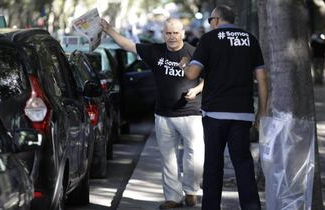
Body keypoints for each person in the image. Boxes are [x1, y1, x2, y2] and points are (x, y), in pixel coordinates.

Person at [101, 18, 205, 209]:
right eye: (168, 33)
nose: (172, 37)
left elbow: (208, 78)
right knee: (168, 158)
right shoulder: (155, 50)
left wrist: (197, 90)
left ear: (182, 33)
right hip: (163, 114)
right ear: (163, 34)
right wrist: (108, 30)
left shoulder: (194, 52)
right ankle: (173, 198)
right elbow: (128, 45)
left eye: (175, 33)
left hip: (192, 114)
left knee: (196, 156)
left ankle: (191, 190)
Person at [184, 5, 268, 210]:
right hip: (243, 114)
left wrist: (184, 64)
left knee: (213, 164)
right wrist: (262, 111)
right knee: (243, 163)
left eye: (210, 20)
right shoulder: (250, 39)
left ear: (216, 20)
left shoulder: (209, 40)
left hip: (214, 114)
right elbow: (263, 79)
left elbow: (192, 75)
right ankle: (251, 207)